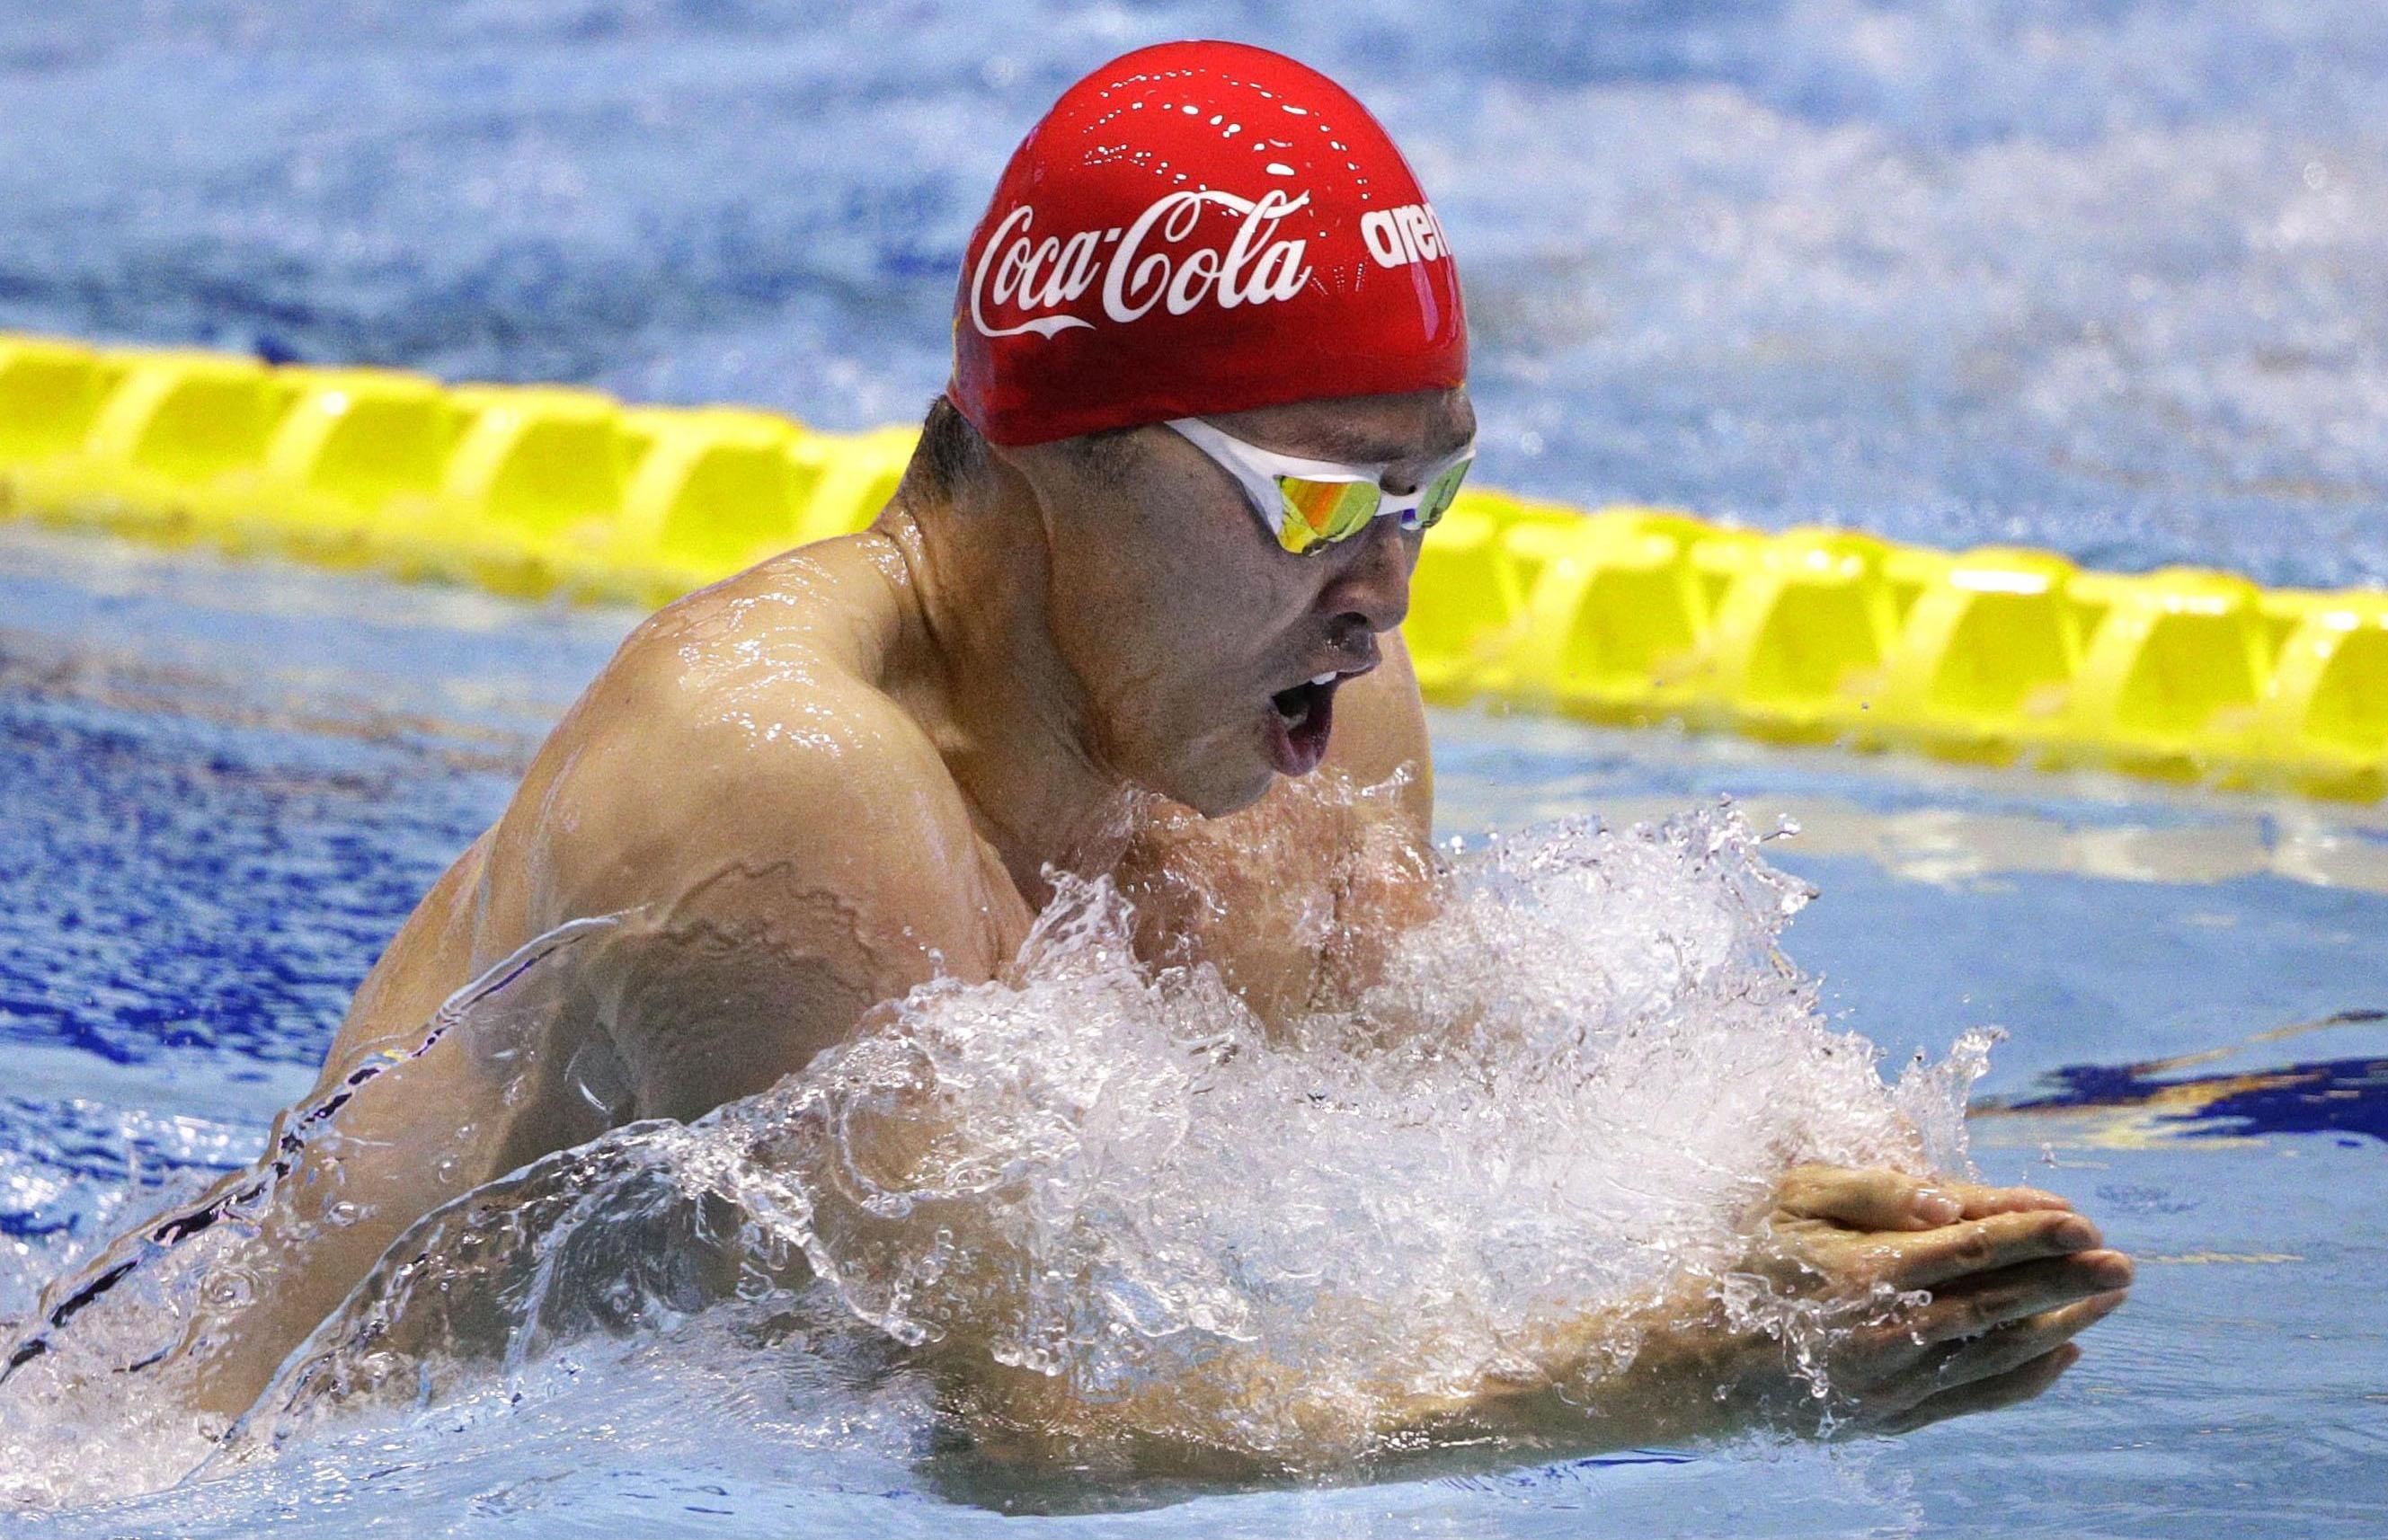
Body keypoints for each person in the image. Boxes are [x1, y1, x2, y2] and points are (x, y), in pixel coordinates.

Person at [19, 39, 2128, 1456]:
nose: (1383, 586)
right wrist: (1663, 1373)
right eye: (1316, 494)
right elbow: (999, 1417)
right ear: (1056, 456)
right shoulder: (772, 778)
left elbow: (1424, 1093)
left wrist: (1786, 1210)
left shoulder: (1300, 707)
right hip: (193, 1469)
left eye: (1426, 494)